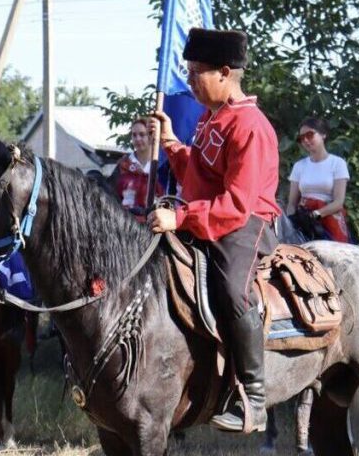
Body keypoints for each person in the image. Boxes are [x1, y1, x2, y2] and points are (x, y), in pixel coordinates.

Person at [147, 28, 280, 433]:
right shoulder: (211, 118)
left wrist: (182, 219)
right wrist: (171, 144)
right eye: (187, 73)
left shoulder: (250, 126)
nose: (189, 82)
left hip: (246, 223)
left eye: (194, 74)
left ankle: (254, 399)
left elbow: (237, 204)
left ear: (225, 72)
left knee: (231, 291)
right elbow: (199, 178)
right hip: (208, 214)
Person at [286, 118, 353, 243]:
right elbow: (291, 204)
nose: (305, 140)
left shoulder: (338, 163)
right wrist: (291, 221)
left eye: (310, 135)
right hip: (303, 217)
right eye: (301, 138)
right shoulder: (299, 166)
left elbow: (338, 202)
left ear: (323, 134)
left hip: (328, 217)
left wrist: (316, 214)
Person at [109, 120, 162, 217]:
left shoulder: (161, 166)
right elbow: (112, 196)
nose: (137, 139)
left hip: (154, 223)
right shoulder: (123, 165)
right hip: (125, 223)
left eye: (142, 135)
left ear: (151, 137)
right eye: (134, 135)